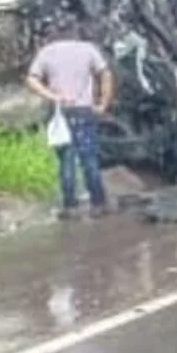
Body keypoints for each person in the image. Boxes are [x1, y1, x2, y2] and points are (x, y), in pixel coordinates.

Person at [25, 21, 114, 219]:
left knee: (66, 160)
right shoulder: (88, 49)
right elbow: (105, 74)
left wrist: (51, 95)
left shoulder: (47, 52)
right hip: (84, 109)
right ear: (76, 33)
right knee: (89, 158)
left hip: (61, 112)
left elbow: (31, 79)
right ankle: (98, 203)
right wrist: (103, 103)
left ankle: (70, 206)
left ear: (55, 34)